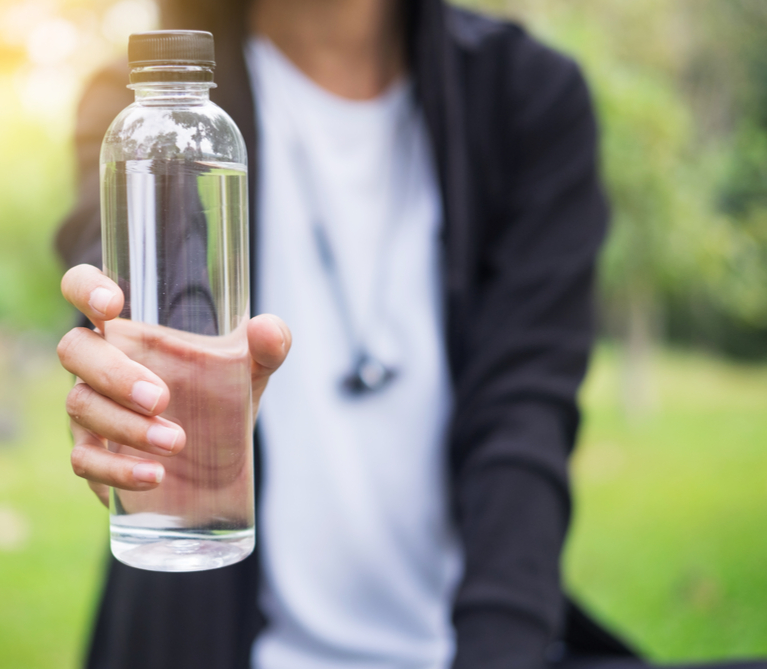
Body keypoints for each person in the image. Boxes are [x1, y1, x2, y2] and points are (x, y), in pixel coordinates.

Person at [54, 1, 767, 668]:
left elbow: (523, 423)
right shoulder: (148, 111)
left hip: (483, 640)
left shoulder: (528, 98)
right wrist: (134, 388)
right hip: (218, 641)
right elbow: (134, 290)